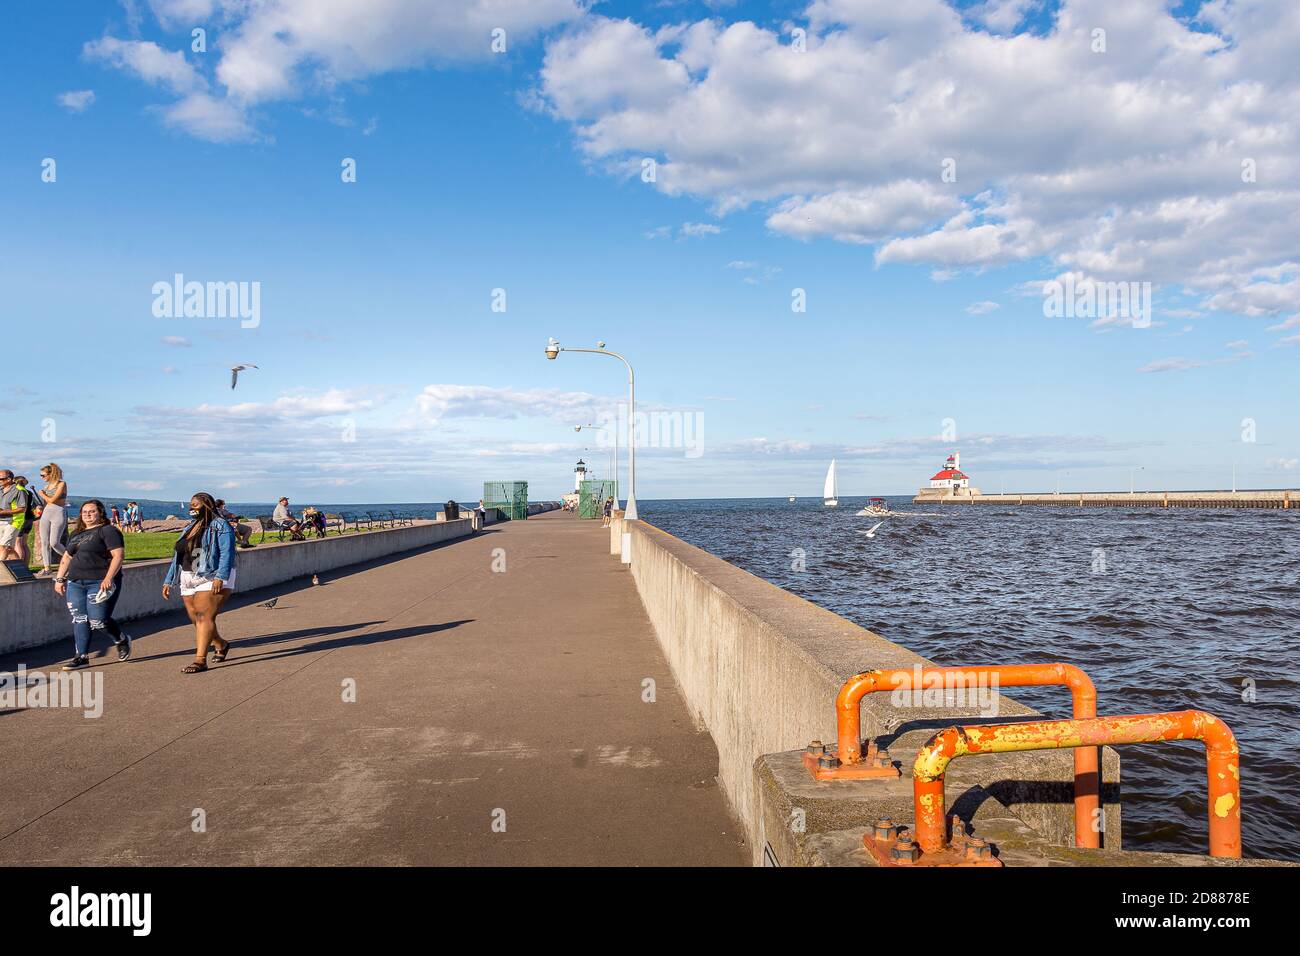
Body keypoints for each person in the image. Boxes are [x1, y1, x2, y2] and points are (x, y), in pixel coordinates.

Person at [162, 492, 238, 674]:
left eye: (195, 505)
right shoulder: (189, 527)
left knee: (204, 616)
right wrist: (168, 580)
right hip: (187, 575)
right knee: (196, 618)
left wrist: (221, 575)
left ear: (207, 505)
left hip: (211, 574)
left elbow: (228, 552)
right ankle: (220, 643)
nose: (191, 508)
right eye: (191, 505)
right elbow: (178, 556)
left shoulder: (220, 525)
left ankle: (200, 660)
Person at [53, 499, 132, 670]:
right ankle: (81, 656)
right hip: (76, 583)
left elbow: (118, 556)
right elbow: (67, 558)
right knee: (79, 619)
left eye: (92, 511)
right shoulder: (76, 534)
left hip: (99, 582)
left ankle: (121, 639)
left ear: (100, 513)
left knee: (98, 620)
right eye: (84, 512)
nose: (88, 514)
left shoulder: (108, 531)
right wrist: (59, 579)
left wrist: (108, 578)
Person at [36, 464, 68, 574]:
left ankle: (70, 558)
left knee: (54, 542)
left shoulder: (62, 484)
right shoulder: (46, 487)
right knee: (44, 542)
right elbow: (46, 503)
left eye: (43, 475)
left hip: (58, 512)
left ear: (51, 474)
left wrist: (42, 494)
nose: (42, 477)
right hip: (46, 513)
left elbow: (52, 500)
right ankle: (47, 567)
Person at [0, 469, 33, 563]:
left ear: (9, 479)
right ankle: (22, 570)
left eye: (1, 479)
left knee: (4, 546)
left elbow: (22, 508)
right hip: (2, 521)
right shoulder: (0, 490)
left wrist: (3, 512)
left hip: (14, 521)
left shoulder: (19, 491)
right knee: (9, 549)